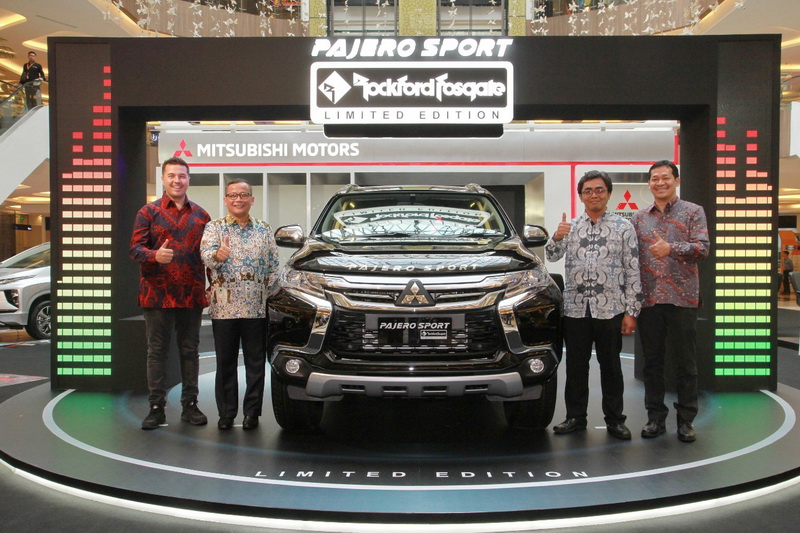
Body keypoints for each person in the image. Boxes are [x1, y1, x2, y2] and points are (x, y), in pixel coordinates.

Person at [546, 170, 641, 440]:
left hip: (611, 309)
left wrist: (632, 311)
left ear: (608, 193)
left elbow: (633, 270)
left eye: (599, 190)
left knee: (611, 367)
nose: (594, 195)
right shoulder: (571, 226)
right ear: (581, 196)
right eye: (588, 191)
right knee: (576, 367)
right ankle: (575, 417)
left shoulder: (624, 227)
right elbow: (551, 256)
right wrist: (557, 236)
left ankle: (615, 420)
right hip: (576, 308)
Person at [130, 157, 211, 430]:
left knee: (190, 351)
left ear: (188, 179)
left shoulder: (202, 215)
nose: (177, 180)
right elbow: (134, 249)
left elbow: (208, 255)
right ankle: (156, 408)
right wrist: (154, 255)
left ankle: (190, 405)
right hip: (157, 294)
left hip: (191, 293)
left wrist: (212, 284)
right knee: (157, 352)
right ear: (163, 179)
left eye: (182, 176)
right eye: (172, 176)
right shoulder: (148, 212)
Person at [631, 160, 709, 443]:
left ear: (676, 180)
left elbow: (703, 249)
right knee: (652, 363)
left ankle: (686, 420)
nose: (660, 183)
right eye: (655, 178)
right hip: (649, 300)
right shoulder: (639, 218)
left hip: (682, 298)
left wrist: (671, 248)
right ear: (649, 184)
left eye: (665, 177)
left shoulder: (693, 211)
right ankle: (655, 418)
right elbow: (632, 258)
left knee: (686, 364)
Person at [201, 179, 279, 430]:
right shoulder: (214, 228)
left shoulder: (264, 229)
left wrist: (268, 296)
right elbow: (205, 257)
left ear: (252, 200)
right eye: (233, 195)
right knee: (225, 363)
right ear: (225, 200)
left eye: (243, 195)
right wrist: (217, 255)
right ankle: (226, 414)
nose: (238, 199)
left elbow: (273, 266)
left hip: (256, 308)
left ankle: (252, 414)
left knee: (256, 363)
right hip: (224, 309)